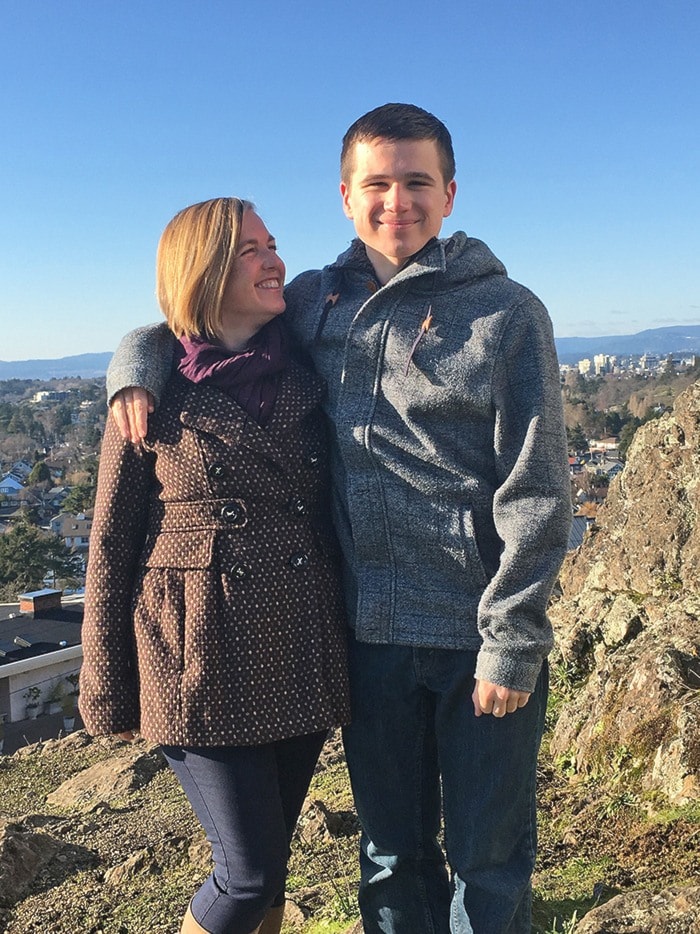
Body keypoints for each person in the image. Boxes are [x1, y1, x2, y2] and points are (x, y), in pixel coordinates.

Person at [106, 105, 572, 934]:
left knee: (488, 860)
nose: (399, 201)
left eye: (417, 182)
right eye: (378, 184)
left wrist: (513, 635)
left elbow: (535, 489)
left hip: (479, 635)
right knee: (391, 856)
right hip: (365, 634)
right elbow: (196, 316)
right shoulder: (314, 302)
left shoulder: (507, 313)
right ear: (347, 197)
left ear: (451, 193)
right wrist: (132, 365)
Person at [79, 197, 350, 934]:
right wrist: (106, 679)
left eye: (273, 244)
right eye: (249, 251)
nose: (274, 261)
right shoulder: (151, 391)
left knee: (273, 868)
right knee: (247, 872)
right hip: (193, 654)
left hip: (297, 641)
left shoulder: (309, 366)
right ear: (202, 269)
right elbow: (110, 541)